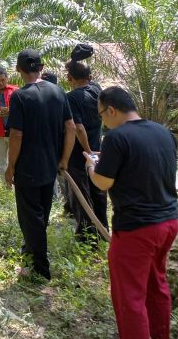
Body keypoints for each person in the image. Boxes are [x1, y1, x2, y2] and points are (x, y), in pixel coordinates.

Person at [85, 86, 178, 339]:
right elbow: (142, 162)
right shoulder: (162, 132)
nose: (102, 121)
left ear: (112, 110)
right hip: (168, 222)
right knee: (155, 285)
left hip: (138, 228)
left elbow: (103, 182)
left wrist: (91, 167)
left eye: (102, 114)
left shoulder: (116, 138)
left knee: (130, 297)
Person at [5, 48, 75, 281]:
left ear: (18, 70)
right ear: (41, 68)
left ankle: (40, 267)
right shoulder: (58, 92)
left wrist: (10, 166)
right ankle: (30, 251)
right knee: (41, 214)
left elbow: (16, 135)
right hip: (50, 166)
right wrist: (64, 160)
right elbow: (71, 128)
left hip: (27, 168)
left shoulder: (19, 97)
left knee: (30, 217)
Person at [64, 57, 107, 243]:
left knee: (81, 193)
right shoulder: (97, 90)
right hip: (98, 148)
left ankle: (87, 236)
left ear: (69, 78)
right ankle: (103, 229)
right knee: (98, 189)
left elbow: (77, 128)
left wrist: (87, 151)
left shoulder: (71, 98)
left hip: (80, 153)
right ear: (89, 76)